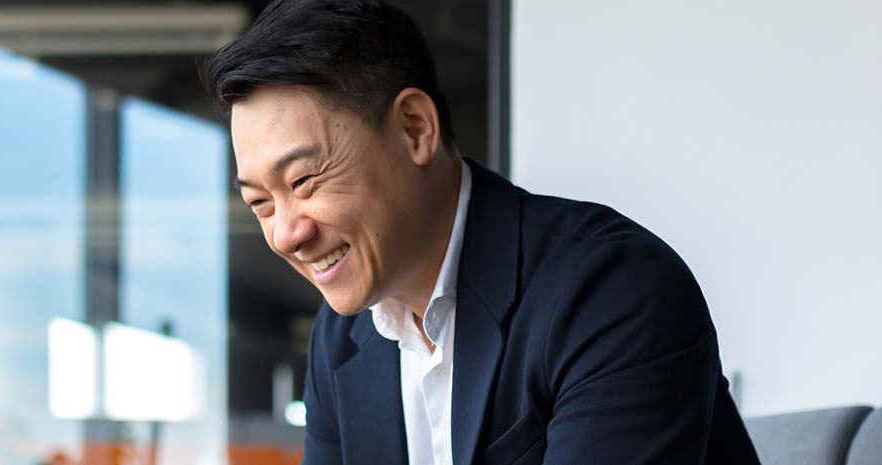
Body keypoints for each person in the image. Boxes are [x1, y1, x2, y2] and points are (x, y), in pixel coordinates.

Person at [202, 1, 761, 464]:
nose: (284, 234)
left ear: (414, 129)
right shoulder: (341, 340)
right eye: (259, 202)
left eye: (303, 180)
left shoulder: (611, 291)